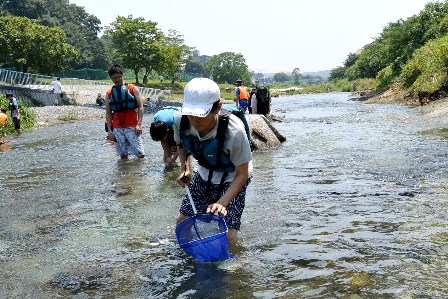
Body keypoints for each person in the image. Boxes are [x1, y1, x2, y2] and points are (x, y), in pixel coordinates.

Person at [173, 78, 253, 245]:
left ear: (217, 107)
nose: (194, 120)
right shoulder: (181, 121)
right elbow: (182, 146)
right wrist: (185, 168)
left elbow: (242, 174)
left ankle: (230, 266)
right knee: (182, 222)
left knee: (228, 234)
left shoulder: (234, 131)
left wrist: (221, 203)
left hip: (233, 175)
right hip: (204, 171)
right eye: (191, 113)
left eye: (201, 115)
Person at [105, 64, 145, 159]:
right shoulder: (109, 93)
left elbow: (141, 107)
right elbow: (108, 112)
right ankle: (124, 172)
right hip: (117, 127)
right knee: (122, 155)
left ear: (123, 75)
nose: (117, 80)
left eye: (119, 77)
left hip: (132, 125)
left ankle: (139, 173)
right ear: (111, 79)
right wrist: (110, 130)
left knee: (140, 154)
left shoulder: (132, 89)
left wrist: (139, 124)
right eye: (114, 78)